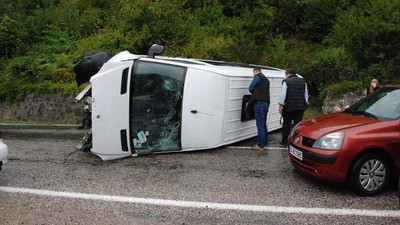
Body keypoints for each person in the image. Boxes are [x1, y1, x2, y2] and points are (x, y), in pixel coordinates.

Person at [278, 68, 308, 147]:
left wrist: (281, 105)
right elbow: (306, 95)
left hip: (288, 107)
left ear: (288, 74)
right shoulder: (303, 81)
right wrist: (305, 105)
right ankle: (295, 141)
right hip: (300, 107)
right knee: (297, 125)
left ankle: (284, 141)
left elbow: (283, 95)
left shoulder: (286, 81)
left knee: (286, 124)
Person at [246, 67, 270, 151]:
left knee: (260, 124)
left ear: (255, 71)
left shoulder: (257, 77)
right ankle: (265, 142)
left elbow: (250, 88)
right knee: (263, 124)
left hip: (259, 104)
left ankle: (260, 145)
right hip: (266, 103)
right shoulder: (266, 79)